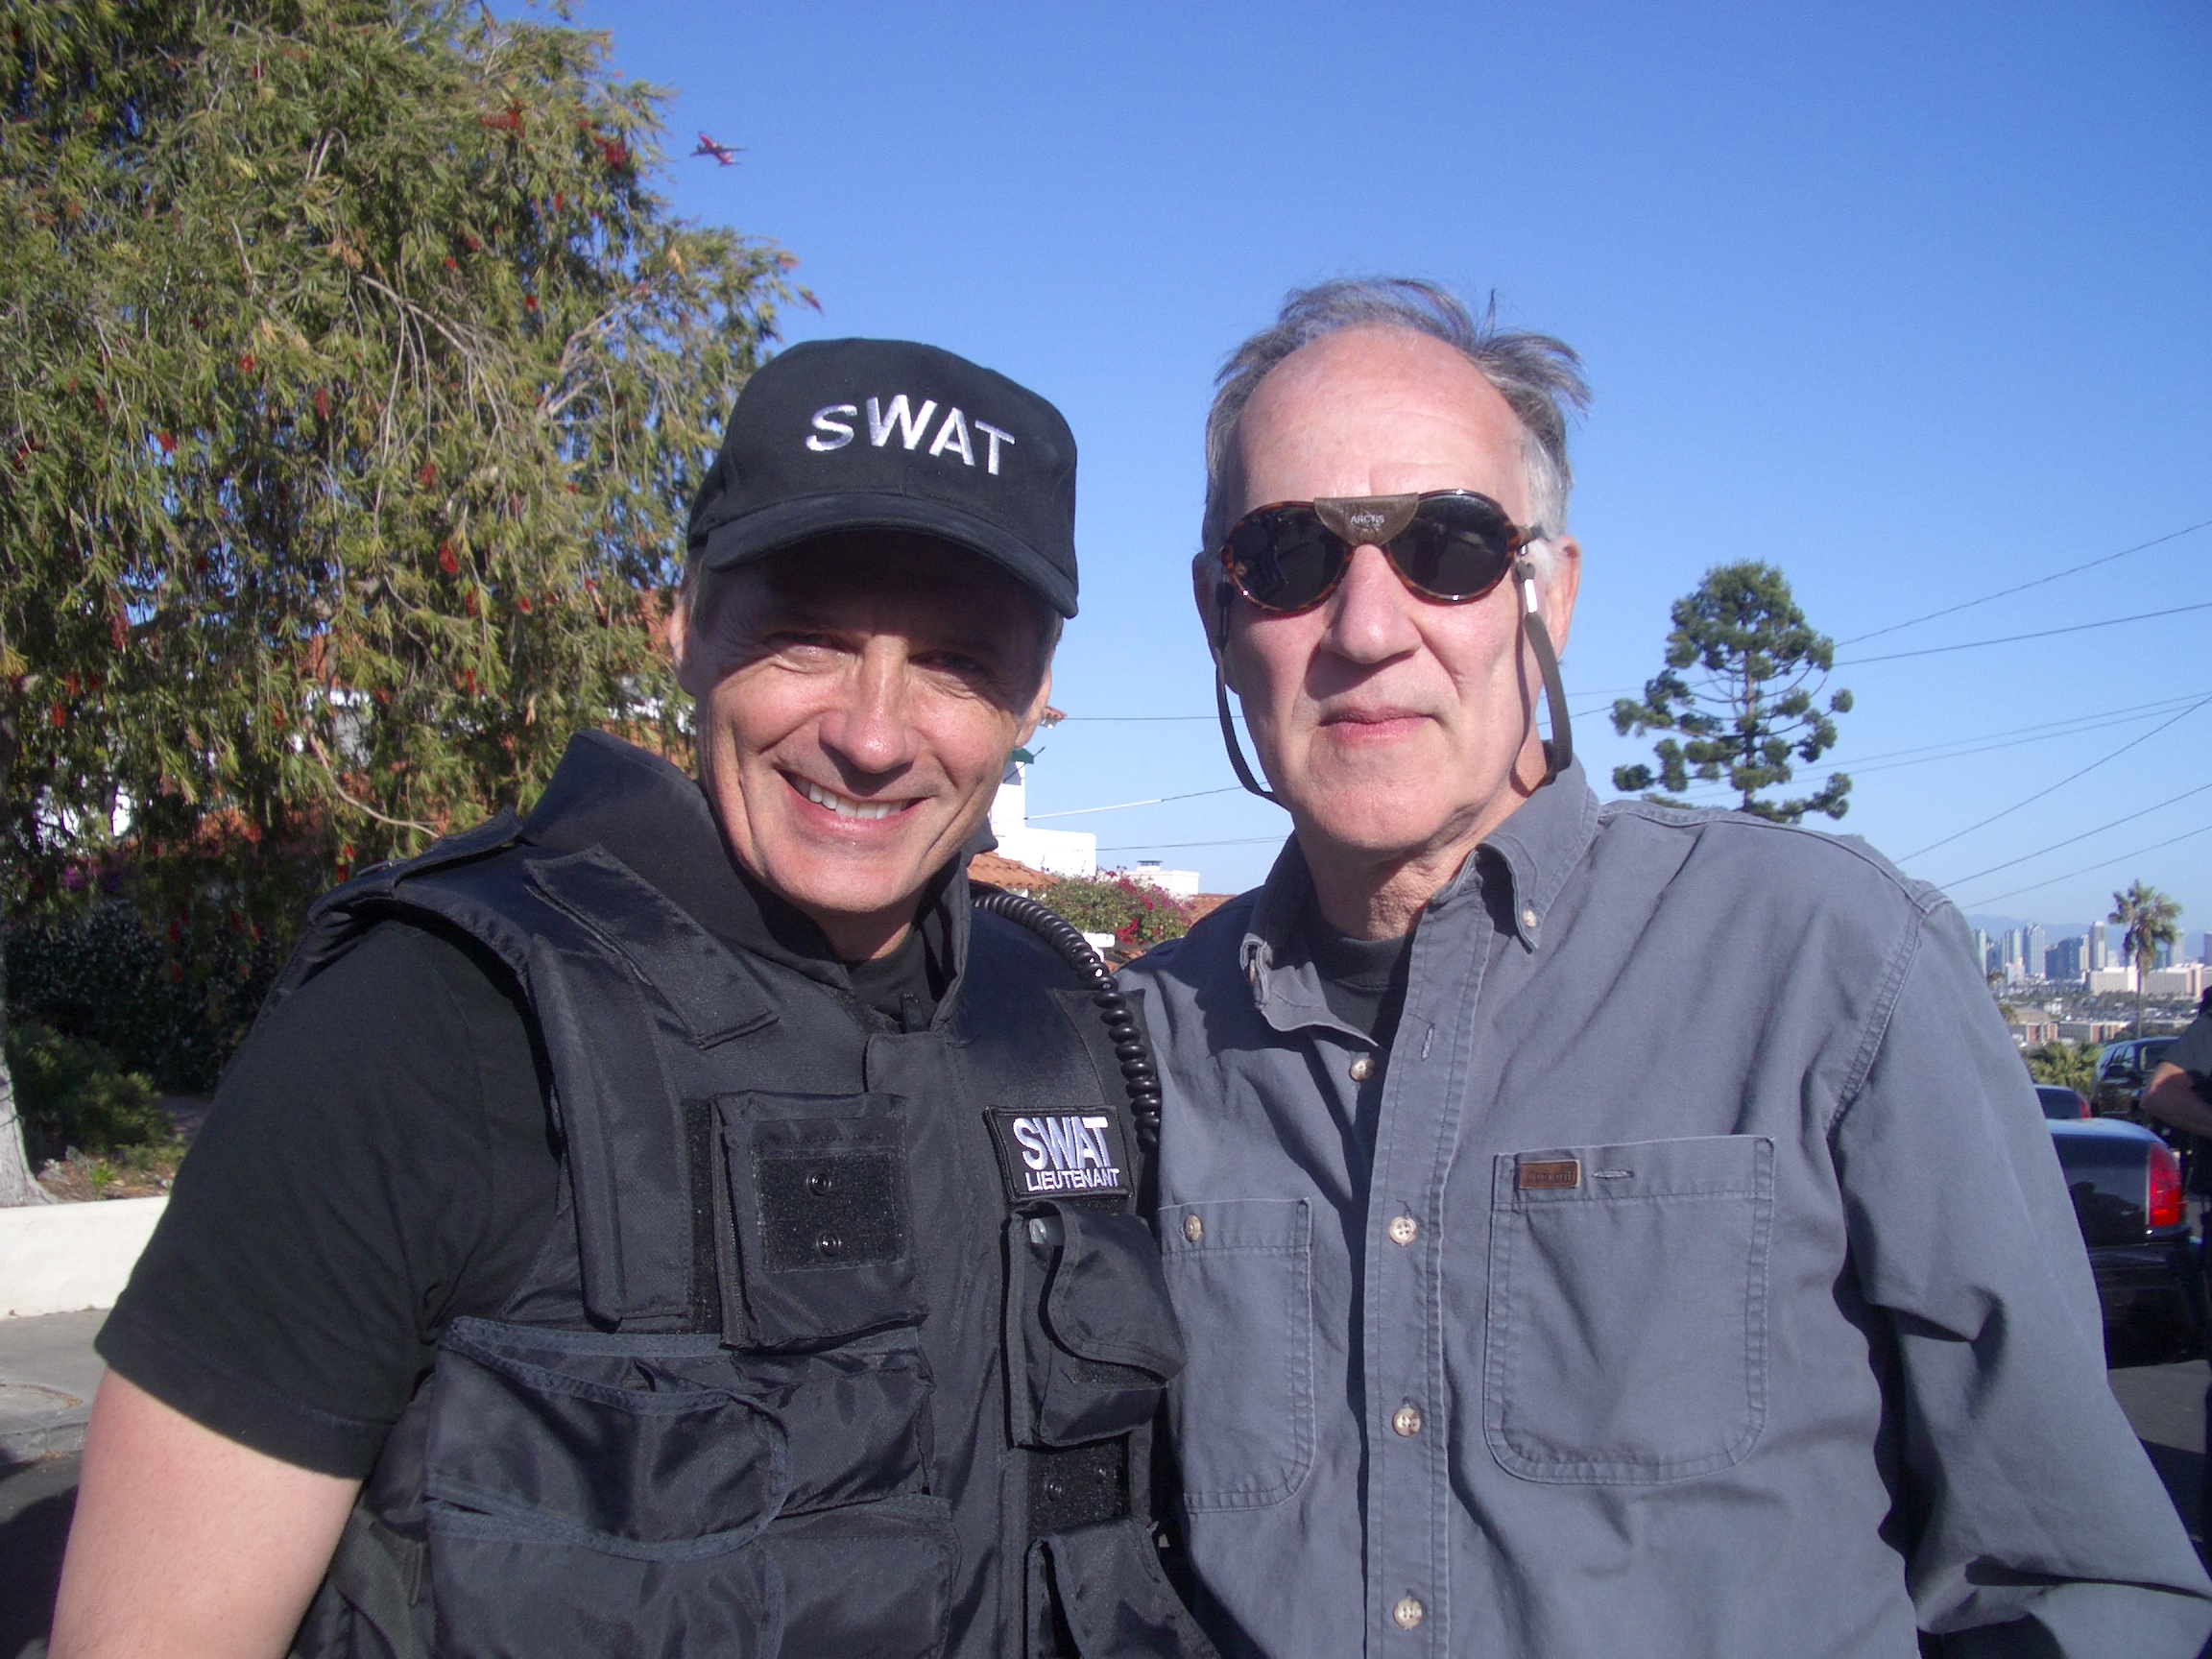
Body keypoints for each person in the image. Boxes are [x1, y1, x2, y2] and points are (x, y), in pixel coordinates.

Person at [53, 338, 1214, 1659]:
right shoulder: (430, 1019)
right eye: (806, 638)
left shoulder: (1063, 1025)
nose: (875, 732)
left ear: (1038, 694)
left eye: (957, 663)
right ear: (682, 619)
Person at [1121, 278, 2212, 1657]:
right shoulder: (1145, 1046)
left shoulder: (1832, 966)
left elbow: (2073, 1578)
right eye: (1289, 556)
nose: (1368, 626)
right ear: (1219, 618)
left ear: (1550, 595)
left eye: (1447, 546)